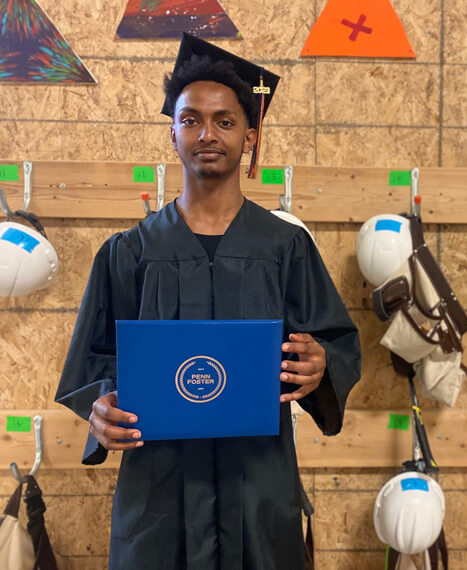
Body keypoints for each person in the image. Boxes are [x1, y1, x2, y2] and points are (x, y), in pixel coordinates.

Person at [55, 33, 361, 570]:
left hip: (258, 488)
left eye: (225, 120)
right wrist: (101, 407)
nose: (207, 133)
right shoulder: (130, 252)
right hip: (159, 495)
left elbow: (333, 343)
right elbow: (94, 362)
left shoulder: (286, 248)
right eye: (190, 119)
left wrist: (320, 366)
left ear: (249, 136)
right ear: (171, 133)